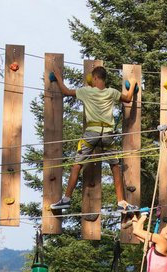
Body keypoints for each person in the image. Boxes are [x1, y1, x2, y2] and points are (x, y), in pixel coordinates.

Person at [49, 66, 139, 212]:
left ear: (95, 78)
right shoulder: (112, 92)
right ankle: (122, 202)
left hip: (91, 133)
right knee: (115, 166)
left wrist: (58, 76)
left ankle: (66, 199)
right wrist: (134, 83)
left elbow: (65, 91)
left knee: (77, 165)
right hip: (107, 135)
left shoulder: (86, 91)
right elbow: (128, 99)